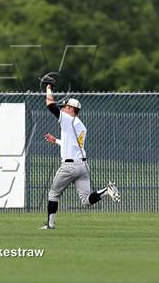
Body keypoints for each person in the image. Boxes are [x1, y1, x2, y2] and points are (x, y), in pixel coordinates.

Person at [39, 84, 120, 229]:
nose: (63, 109)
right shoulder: (80, 125)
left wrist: (48, 88)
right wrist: (56, 140)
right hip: (83, 166)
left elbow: (50, 105)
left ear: (71, 109)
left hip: (69, 166)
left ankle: (50, 225)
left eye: (65, 107)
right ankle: (106, 190)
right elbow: (73, 145)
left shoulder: (68, 120)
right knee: (86, 200)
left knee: (53, 194)